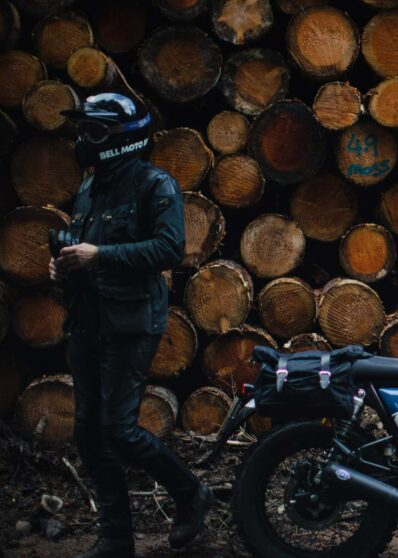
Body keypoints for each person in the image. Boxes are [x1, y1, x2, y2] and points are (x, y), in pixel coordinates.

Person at [51, 92, 212, 558]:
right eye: (83, 131)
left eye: (94, 132)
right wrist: (61, 268)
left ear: (121, 139)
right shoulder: (88, 189)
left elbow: (169, 248)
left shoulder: (153, 184)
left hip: (131, 322)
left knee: (119, 429)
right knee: (87, 432)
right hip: (87, 322)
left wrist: (100, 256)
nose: (83, 140)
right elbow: (80, 254)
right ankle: (116, 536)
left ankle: (190, 493)